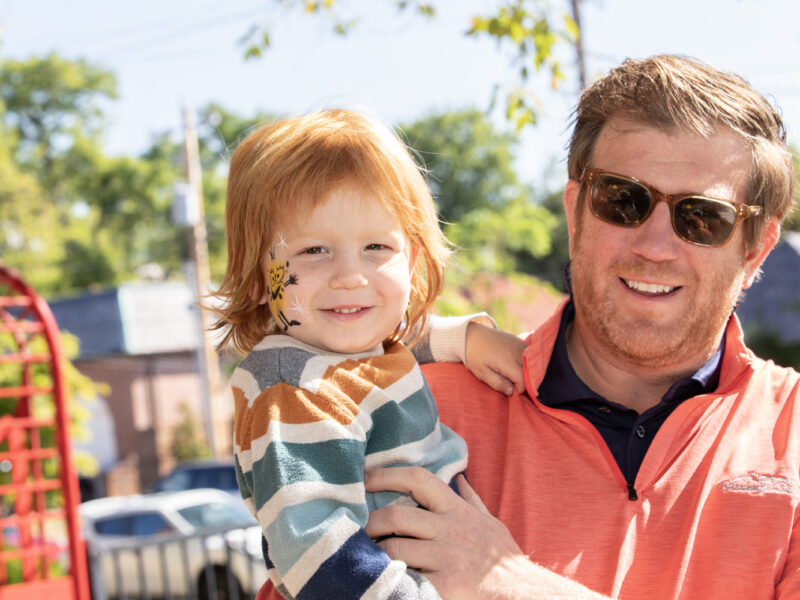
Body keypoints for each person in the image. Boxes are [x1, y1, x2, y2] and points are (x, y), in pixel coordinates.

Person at [364, 54, 800, 599]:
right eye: (622, 200)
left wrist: (508, 582)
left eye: (702, 218)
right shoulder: (416, 412)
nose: (654, 247)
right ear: (575, 213)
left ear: (755, 249)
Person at [212, 108, 512, 600]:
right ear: (257, 278)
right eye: (313, 251)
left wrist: (464, 338)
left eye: (375, 246)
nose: (350, 276)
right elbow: (315, 548)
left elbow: (392, 340)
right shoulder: (292, 391)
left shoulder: (339, 351)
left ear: (411, 263)